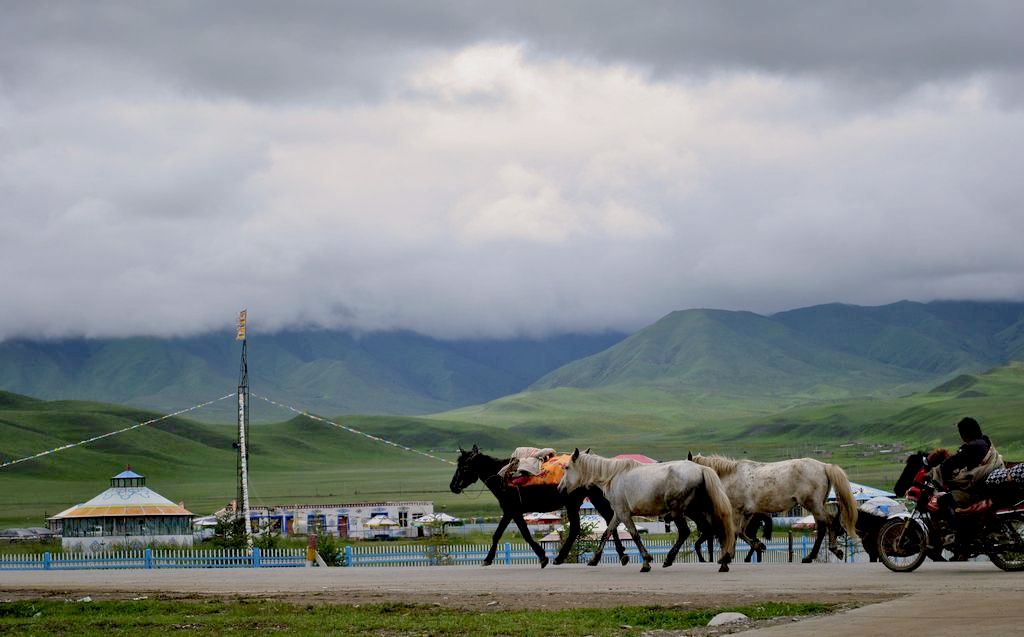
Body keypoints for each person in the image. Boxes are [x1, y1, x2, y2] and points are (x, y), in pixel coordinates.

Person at [934, 417, 1003, 558]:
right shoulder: (984, 442)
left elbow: (954, 462)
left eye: (961, 432)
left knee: (944, 501)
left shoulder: (974, 446)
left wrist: (939, 471)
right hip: (985, 486)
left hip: (979, 490)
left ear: (965, 433)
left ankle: (963, 539)